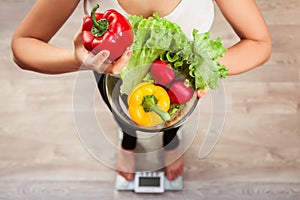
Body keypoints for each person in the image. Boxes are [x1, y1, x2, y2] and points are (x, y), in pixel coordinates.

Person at [11, 0, 272, 181]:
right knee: (123, 117)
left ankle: (171, 145)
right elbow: (23, 45)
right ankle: (128, 144)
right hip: (111, 78)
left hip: (180, 83)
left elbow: (259, 43)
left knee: (172, 123)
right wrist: (77, 61)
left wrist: (200, 68)